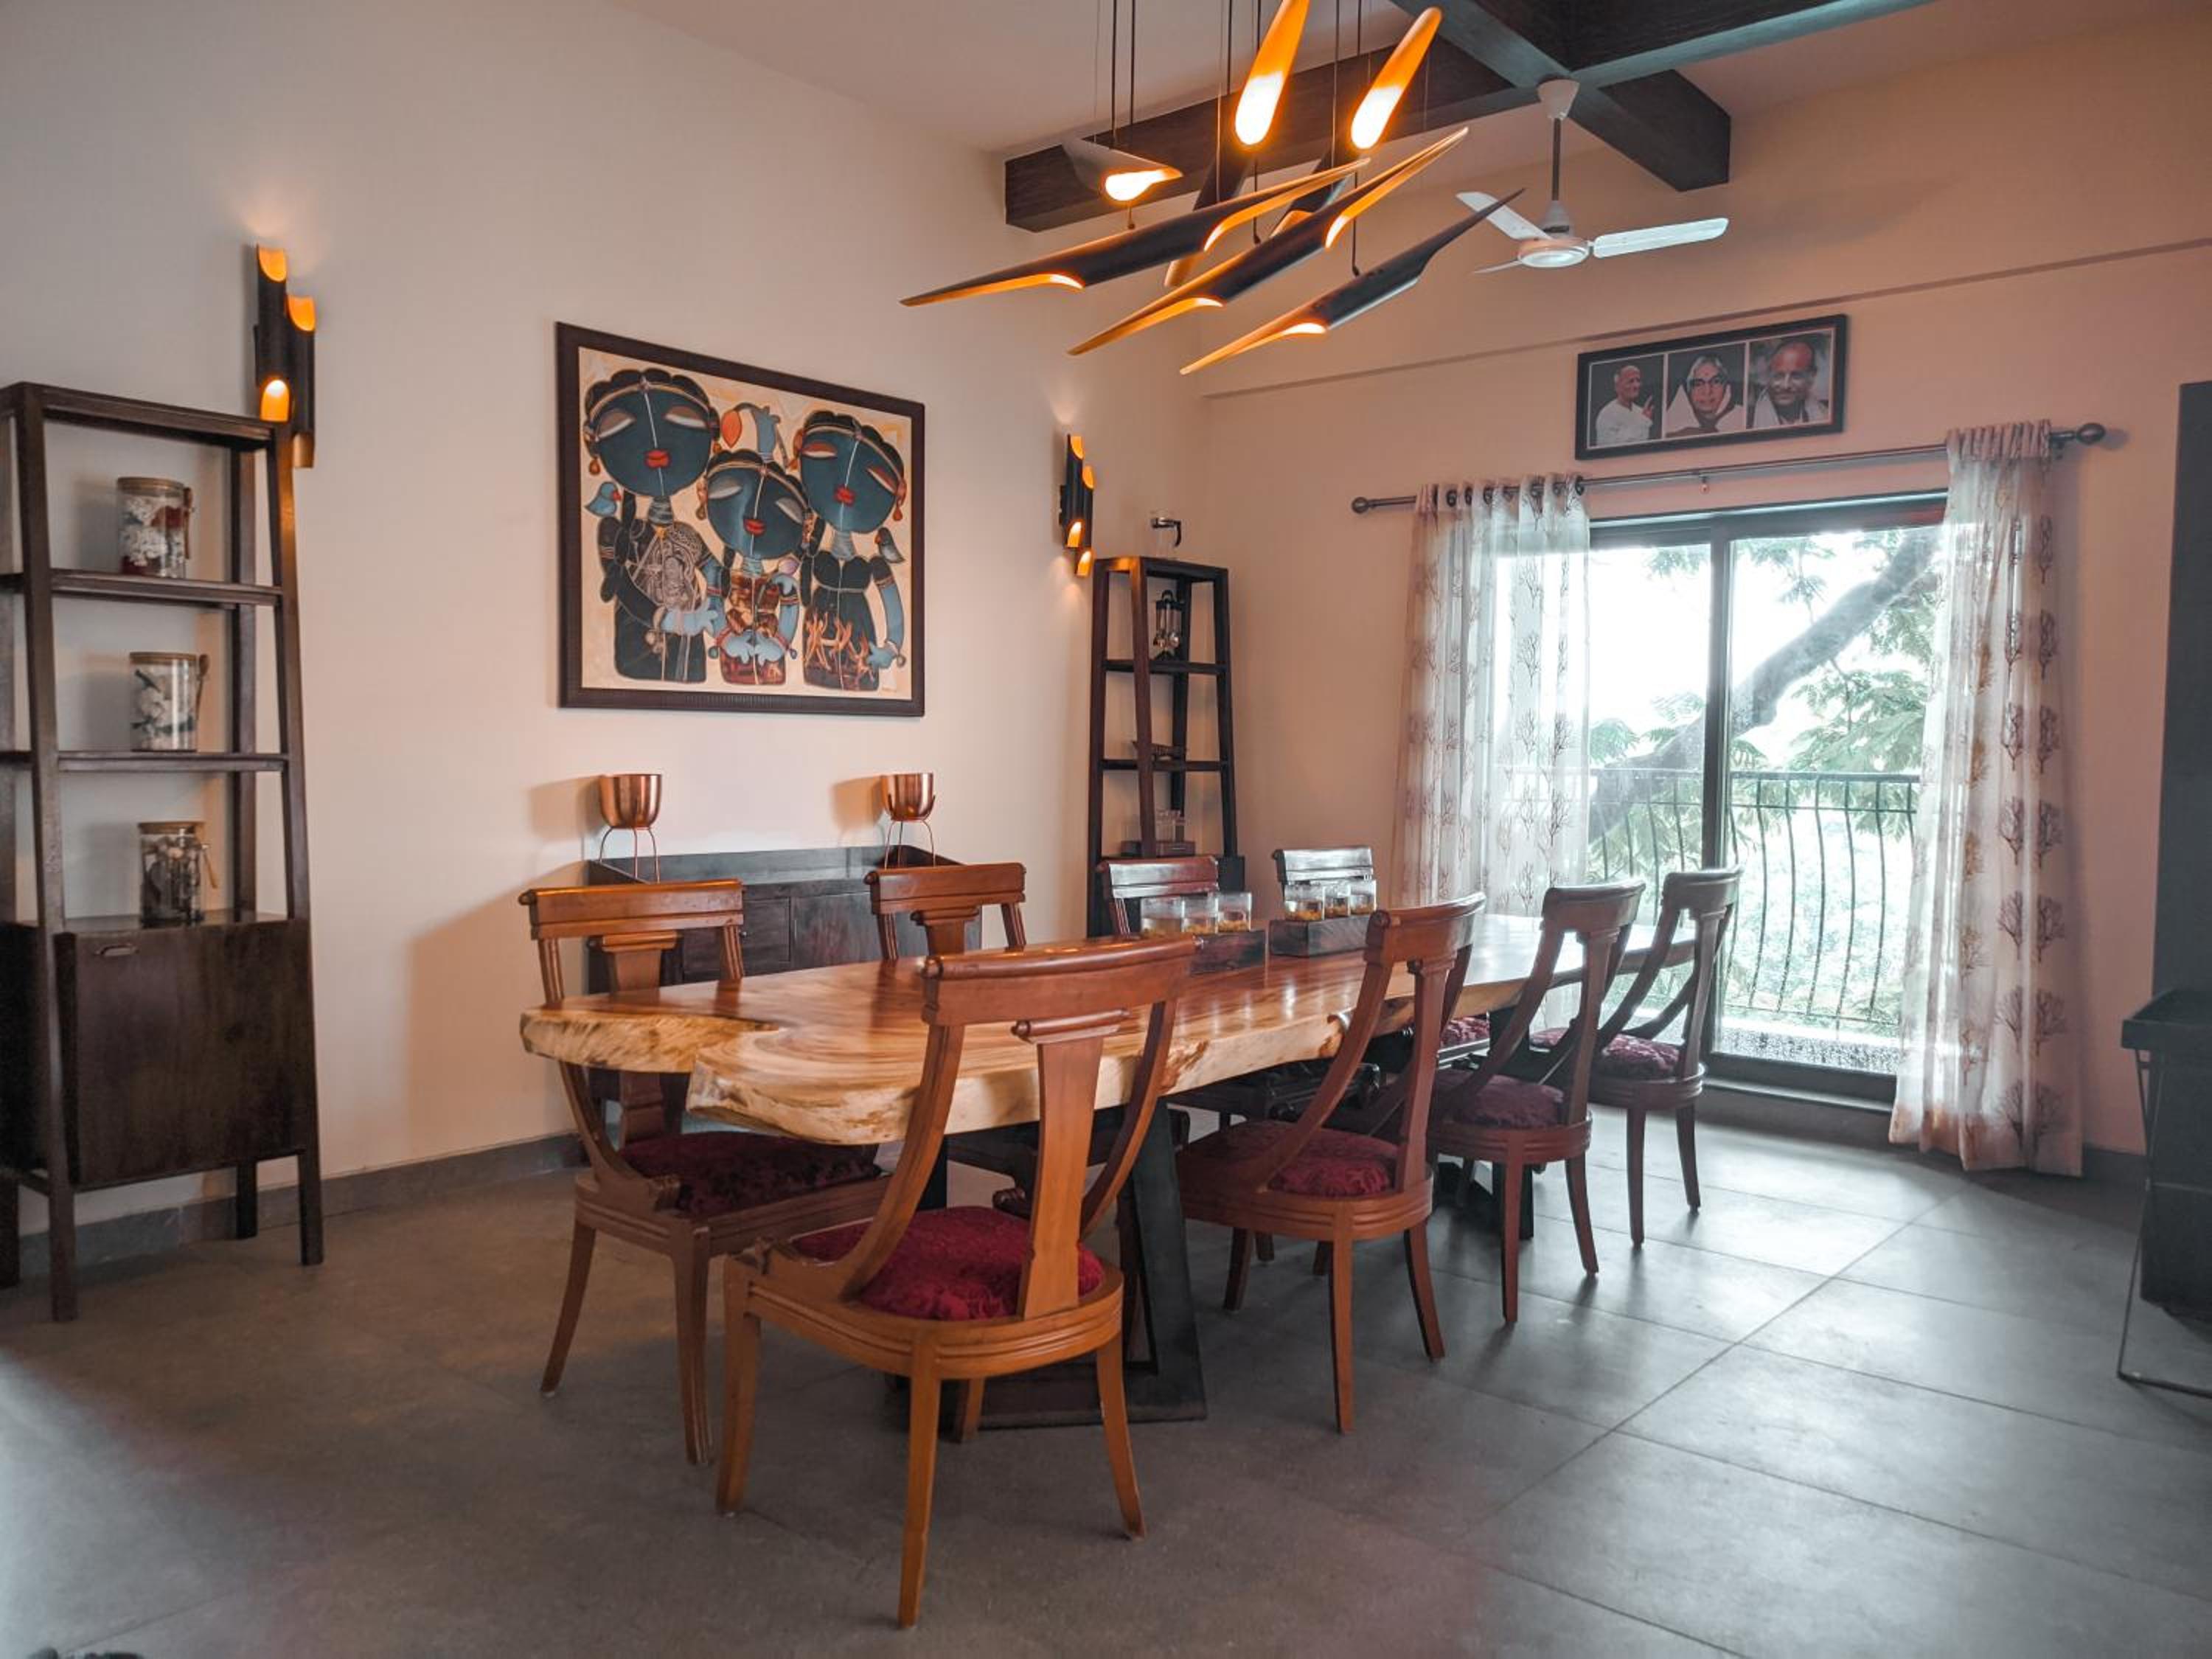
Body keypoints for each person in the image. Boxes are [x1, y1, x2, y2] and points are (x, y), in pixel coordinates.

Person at [1750, 335, 1831, 428]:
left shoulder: (1825, 416)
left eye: (1796, 376)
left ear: (1811, 376)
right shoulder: (1747, 419)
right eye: (1778, 376)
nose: (1786, 386)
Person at [1665, 352, 1745, 437]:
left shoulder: (1743, 420)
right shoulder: (1672, 433)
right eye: (1698, 384)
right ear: (1687, 390)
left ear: (1727, 386)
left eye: (1716, 381)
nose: (1707, 391)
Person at [1591, 361, 1656, 448]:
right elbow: (1610, 448)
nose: (1636, 385)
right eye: (1631, 381)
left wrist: (1644, 421)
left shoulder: (1641, 413)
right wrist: (1642, 422)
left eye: (1638, 380)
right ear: (1617, 387)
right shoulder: (1607, 414)